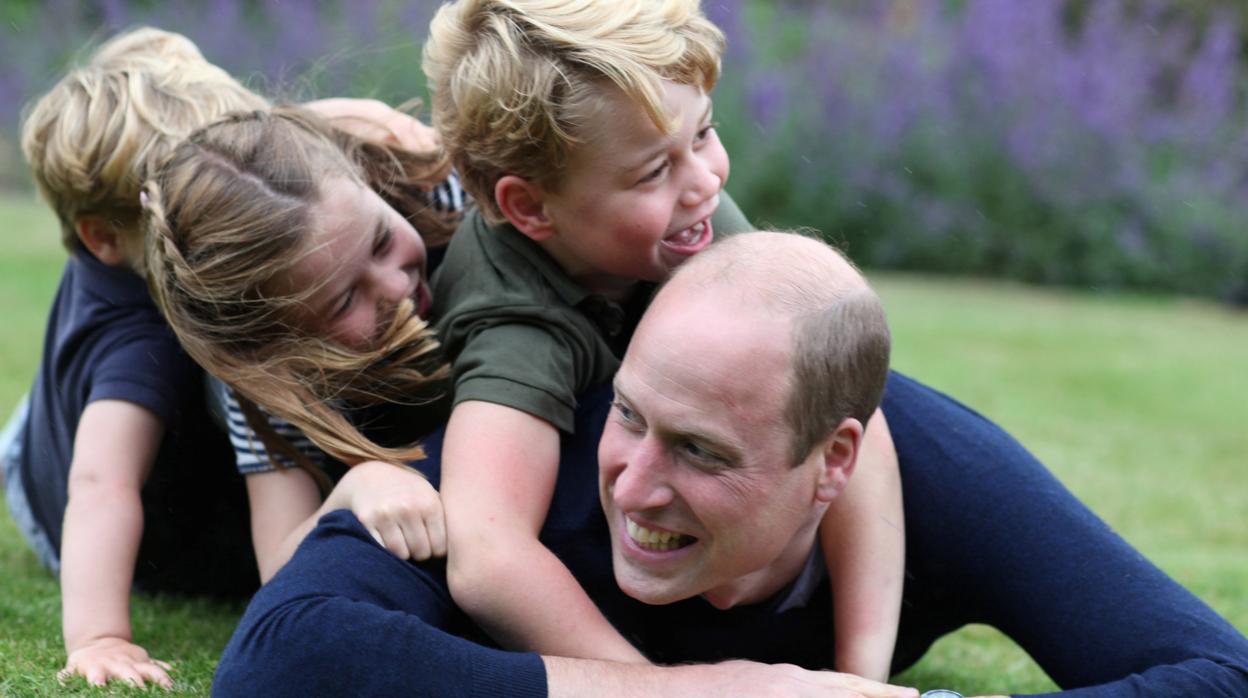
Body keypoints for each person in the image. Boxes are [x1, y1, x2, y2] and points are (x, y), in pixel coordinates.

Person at [210, 233, 1248, 696]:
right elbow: (281, 662)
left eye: (703, 452)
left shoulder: (934, 467)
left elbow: (1219, 673)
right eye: (634, 415)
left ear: (833, 460)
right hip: (206, 459)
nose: (636, 482)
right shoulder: (529, 455)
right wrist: (723, 692)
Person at [422, 0, 904, 675]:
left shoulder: (681, 209)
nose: (704, 181)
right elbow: (487, 557)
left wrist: (860, 678)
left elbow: (854, 417)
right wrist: (665, 691)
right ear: (529, 207)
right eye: (654, 172)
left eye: (704, 133)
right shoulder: (516, 325)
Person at [6, 26, 453, 689]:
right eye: (184, 200)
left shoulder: (249, 201)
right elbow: (101, 486)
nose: (224, 200)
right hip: (53, 491)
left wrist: (338, 122)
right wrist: (100, 635)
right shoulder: (137, 338)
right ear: (110, 235)